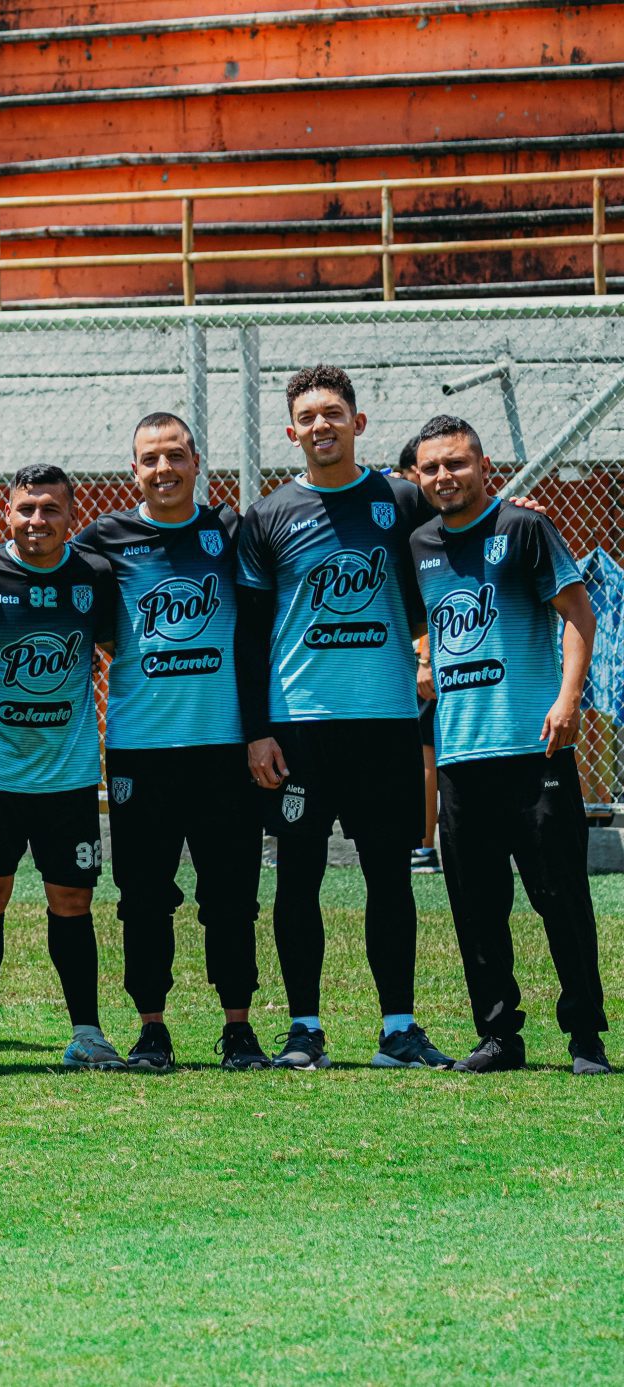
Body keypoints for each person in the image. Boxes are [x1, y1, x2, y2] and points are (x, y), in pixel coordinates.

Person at [237, 363, 455, 1069]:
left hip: (387, 723)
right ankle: (304, 1029)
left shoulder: (402, 500)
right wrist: (257, 730)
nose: (321, 425)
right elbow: (250, 630)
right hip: (300, 727)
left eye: (333, 412)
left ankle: (398, 1028)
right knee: (298, 877)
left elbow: (458, 559)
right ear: (291, 430)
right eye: (308, 416)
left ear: (358, 423)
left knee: (389, 875)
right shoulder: (268, 515)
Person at [408, 414, 609, 1074]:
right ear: (418, 476)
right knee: (476, 906)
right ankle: (499, 1035)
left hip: (534, 751)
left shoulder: (524, 527)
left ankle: (585, 1037)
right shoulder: (419, 545)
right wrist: (423, 662)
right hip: (461, 758)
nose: (445, 476)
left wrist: (568, 699)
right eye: (432, 467)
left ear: (484, 465)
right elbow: (421, 628)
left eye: (457, 463)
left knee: (563, 899)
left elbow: (579, 611)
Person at [75, 413, 268, 1071]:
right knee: (144, 894)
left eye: (174, 456)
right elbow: (50, 578)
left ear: (195, 461)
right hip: (140, 749)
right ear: (134, 470)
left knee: (231, 892)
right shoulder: (105, 538)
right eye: (150, 459)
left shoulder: (230, 532)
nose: (163, 470)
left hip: (223, 746)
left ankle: (238, 1027)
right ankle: (151, 1028)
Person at [0, 464, 123, 1073]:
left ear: (71, 515)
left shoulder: (93, 574)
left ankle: (88, 1034)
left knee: (72, 901)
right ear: (7, 514)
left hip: (67, 774)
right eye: (26, 509)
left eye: (50, 509)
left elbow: (111, 648)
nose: (37, 521)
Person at [396, 435, 443, 874]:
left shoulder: (432, 523)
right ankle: (420, 842)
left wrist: (426, 658)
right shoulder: (406, 523)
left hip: (427, 659)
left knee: (426, 750)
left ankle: (423, 844)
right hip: (404, 657)